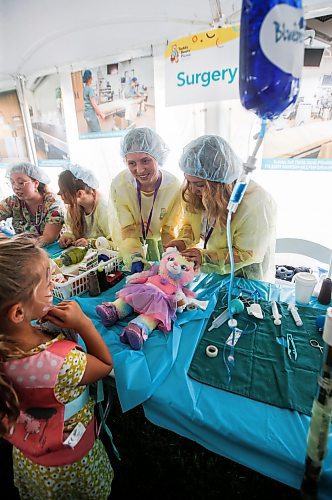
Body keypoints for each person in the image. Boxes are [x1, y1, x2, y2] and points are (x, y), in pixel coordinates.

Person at [0, 235, 113, 499]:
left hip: (31, 458)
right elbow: (105, 365)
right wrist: (83, 323)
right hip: (72, 463)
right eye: (48, 282)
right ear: (18, 313)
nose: (53, 285)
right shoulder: (62, 363)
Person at [168, 135, 277, 282]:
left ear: (218, 184)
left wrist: (205, 258)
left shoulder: (255, 204)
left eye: (199, 185)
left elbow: (247, 254)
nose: (192, 189)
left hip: (246, 276)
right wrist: (183, 241)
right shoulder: (195, 188)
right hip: (216, 270)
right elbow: (190, 223)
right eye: (188, 181)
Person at [110, 127, 182, 269]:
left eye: (145, 161)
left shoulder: (173, 187)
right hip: (132, 240)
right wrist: (134, 256)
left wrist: (170, 255)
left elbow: (169, 230)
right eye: (132, 163)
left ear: (158, 157)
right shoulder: (120, 185)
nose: (140, 170)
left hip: (162, 240)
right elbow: (128, 228)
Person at [0, 162, 64, 246]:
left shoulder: (53, 203)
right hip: (23, 248)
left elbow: (48, 237)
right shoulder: (12, 202)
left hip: (53, 250)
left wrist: (14, 244)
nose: (16, 187)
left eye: (20, 182)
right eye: (12, 182)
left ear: (36, 183)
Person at [58, 163, 113, 249]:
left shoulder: (104, 210)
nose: (58, 193)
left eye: (63, 191)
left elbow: (118, 244)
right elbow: (74, 233)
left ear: (80, 194)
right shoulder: (74, 208)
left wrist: (91, 243)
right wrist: (70, 237)